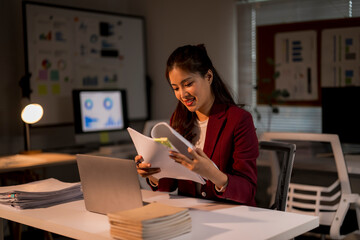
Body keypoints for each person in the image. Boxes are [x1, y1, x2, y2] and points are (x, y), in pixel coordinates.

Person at [135, 44, 258, 206]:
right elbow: (171, 184)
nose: (182, 94)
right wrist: (152, 173)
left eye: (188, 84)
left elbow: (248, 189)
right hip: (192, 214)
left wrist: (213, 174)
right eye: (176, 88)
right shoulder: (179, 120)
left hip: (231, 214)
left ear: (208, 77)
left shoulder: (239, 120)